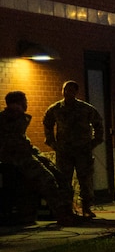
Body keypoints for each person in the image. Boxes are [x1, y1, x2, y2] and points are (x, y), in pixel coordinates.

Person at [1, 91, 75, 226]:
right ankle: (61, 215)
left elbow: (22, 139)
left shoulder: (16, 117)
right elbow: (12, 142)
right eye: (24, 101)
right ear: (16, 104)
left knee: (59, 175)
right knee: (47, 180)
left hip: (26, 153)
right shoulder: (7, 118)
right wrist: (17, 114)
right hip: (16, 157)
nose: (26, 104)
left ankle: (68, 211)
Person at [43, 80, 105, 219]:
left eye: (70, 90)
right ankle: (67, 208)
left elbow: (98, 123)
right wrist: (52, 142)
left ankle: (86, 208)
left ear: (76, 92)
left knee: (85, 180)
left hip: (83, 151)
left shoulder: (85, 108)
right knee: (64, 181)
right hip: (64, 151)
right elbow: (47, 123)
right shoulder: (56, 108)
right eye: (65, 89)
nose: (67, 93)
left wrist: (94, 141)